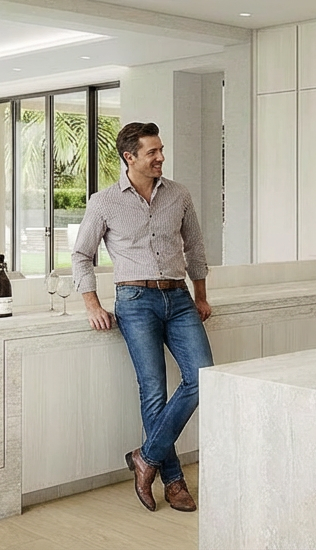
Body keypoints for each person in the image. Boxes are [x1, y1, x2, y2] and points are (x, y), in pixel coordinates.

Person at [72, 122, 213, 513]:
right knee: (152, 390)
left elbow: (196, 247)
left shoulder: (179, 194)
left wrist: (201, 295)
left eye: (161, 149)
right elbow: (81, 254)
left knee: (202, 377)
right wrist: (91, 303)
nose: (160, 157)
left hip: (180, 298)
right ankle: (174, 481)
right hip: (133, 299)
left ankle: (145, 457)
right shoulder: (104, 202)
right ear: (129, 157)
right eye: (152, 152)